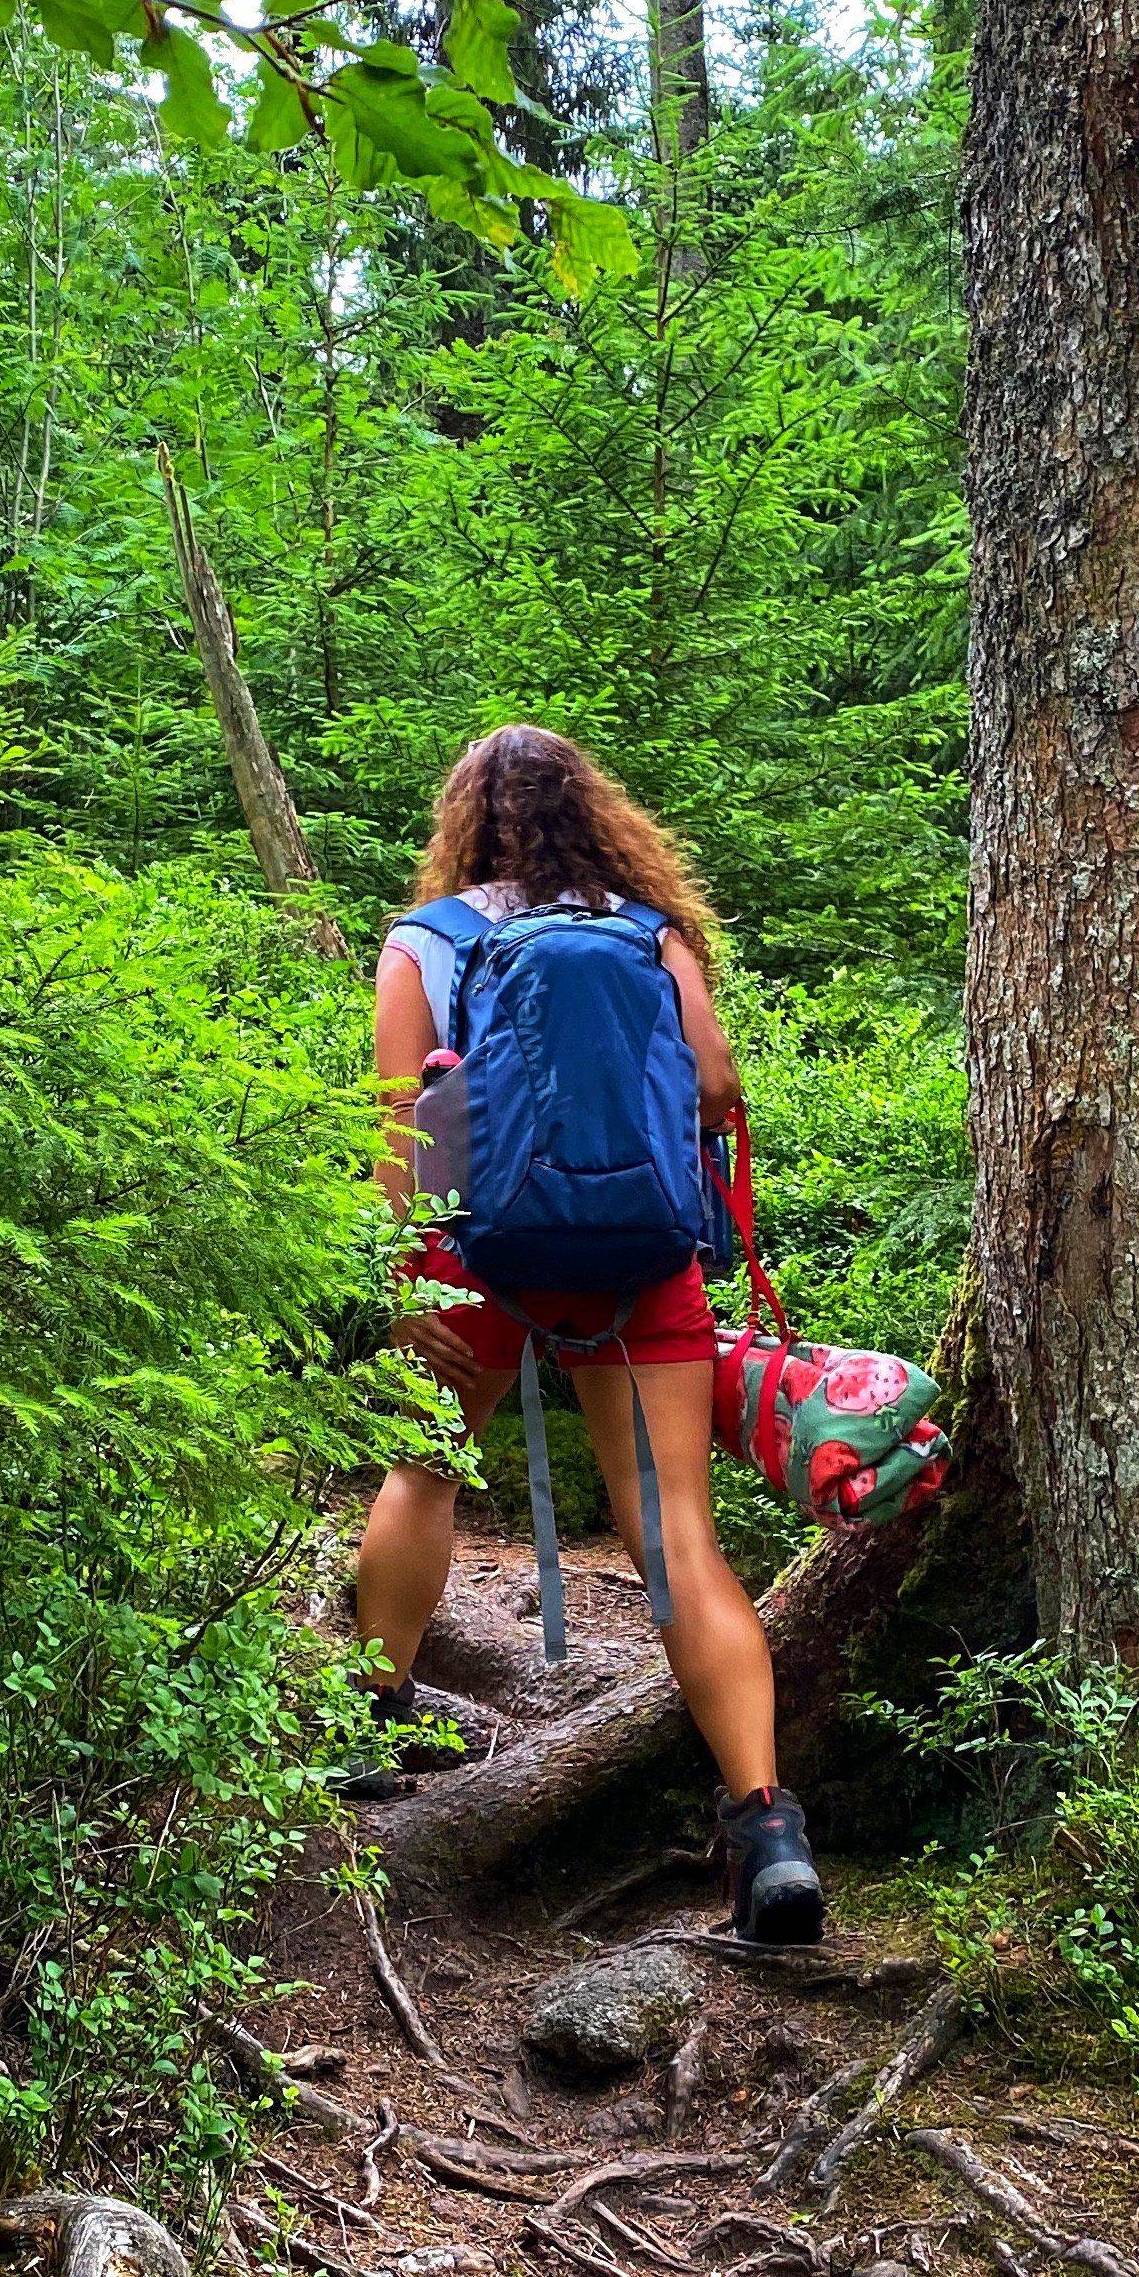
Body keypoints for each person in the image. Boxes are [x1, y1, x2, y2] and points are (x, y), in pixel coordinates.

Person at [353, 724, 823, 1947]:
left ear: (468, 821)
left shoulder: (430, 939)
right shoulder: (647, 931)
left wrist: (410, 1276)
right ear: (591, 812)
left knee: (421, 1473)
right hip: (641, 1258)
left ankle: (368, 1724)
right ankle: (767, 1824)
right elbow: (719, 1086)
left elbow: (410, 1124)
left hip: (473, 1251)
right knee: (676, 1533)